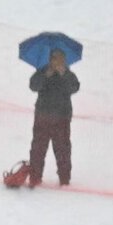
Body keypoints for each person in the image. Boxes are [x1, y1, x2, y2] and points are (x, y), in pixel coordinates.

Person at [27, 46, 80, 187]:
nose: (57, 61)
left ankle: (64, 179)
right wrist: (45, 75)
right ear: (50, 59)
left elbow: (75, 87)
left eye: (61, 58)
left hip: (62, 118)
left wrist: (64, 74)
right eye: (55, 58)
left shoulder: (68, 74)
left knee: (63, 150)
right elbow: (33, 86)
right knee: (38, 149)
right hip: (42, 117)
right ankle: (35, 178)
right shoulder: (42, 71)